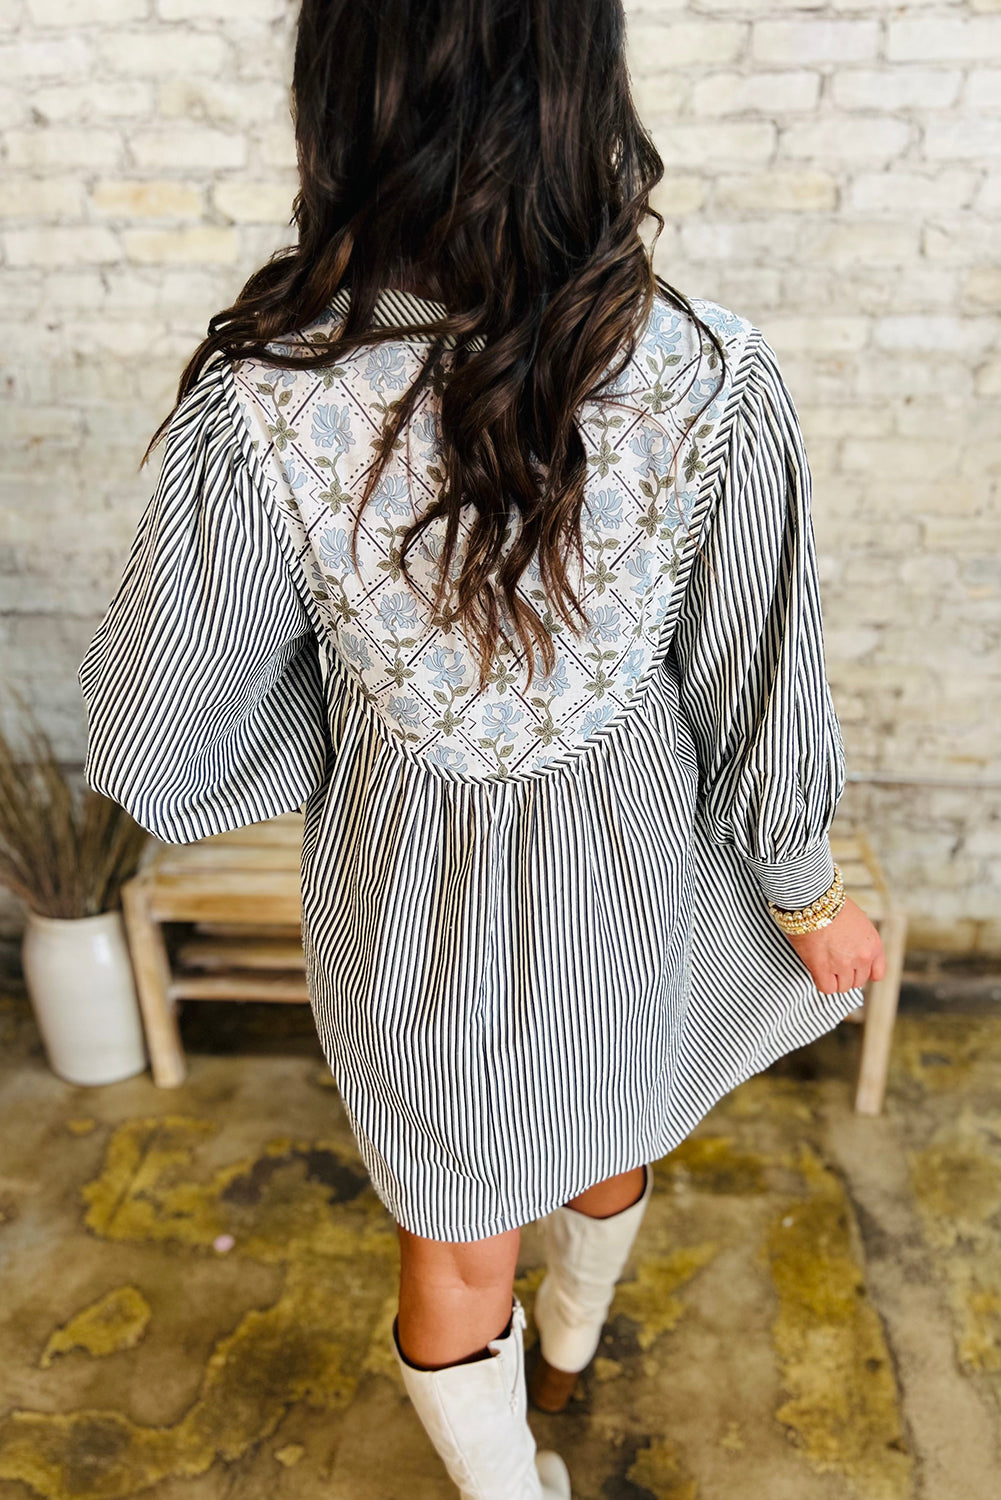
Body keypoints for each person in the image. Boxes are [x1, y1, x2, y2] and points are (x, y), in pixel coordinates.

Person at [77, 2, 886, 1496]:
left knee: (455, 1241)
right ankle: (570, 1352)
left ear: (345, 96)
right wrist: (803, 889)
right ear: (583, 91)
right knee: (612, 1128)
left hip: (413, 911)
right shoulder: (708, 370)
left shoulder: (266, 396)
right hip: (633, 875)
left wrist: (372, 724)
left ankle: (515, 1470)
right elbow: (760, 680)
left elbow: (155, 734)